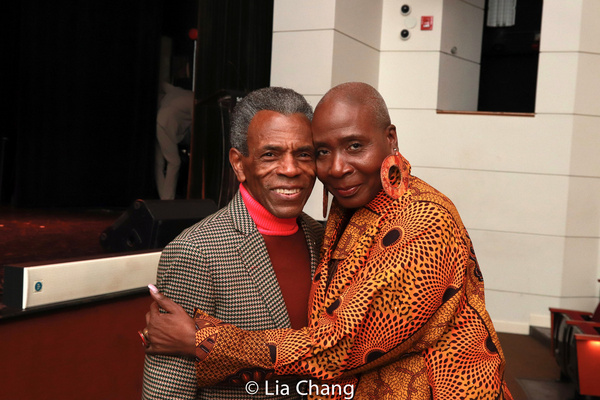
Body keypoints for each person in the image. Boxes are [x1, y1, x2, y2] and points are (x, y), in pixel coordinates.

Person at [144, 82, 513, 399]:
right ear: (239, 164)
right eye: (322, 151)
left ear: (390, 139)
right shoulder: (197, 252)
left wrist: (205, 341)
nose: (335, 167)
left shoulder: (424, 219)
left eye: (354, 146)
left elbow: (339, 345)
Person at [141, 86, 324, 399]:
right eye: (271, 154)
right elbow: (167, 392)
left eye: (303, 154)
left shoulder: (323, 239)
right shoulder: (195, 252)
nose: (291, 169)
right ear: (239, 164)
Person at [155, 82, 194, 200]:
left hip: (160, 121)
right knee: (174, 162)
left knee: (159, 163)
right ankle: (167, 199)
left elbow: (163, 85)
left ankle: (164, 198)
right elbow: (195, 129)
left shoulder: (178, 91)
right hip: (164, 126)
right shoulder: (194, 102)